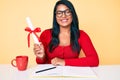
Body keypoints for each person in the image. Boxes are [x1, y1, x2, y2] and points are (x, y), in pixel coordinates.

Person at [33, 0, 99, 67]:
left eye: (67, 12)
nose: (63, 16)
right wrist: (41, 57)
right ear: (55, 16)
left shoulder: (81, 35)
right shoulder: (45, 34)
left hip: (73, 74)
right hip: (51, 75)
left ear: (72, 14)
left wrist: (64, 62)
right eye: (59, 13)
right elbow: (40, 63)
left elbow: (94, 60)